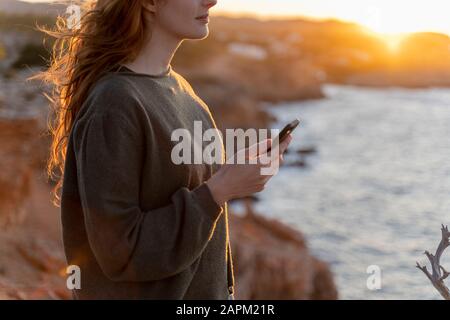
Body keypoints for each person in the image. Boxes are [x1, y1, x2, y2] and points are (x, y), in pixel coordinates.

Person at [34, 0, 292, 299]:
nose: (212, 1)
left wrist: (232, 173)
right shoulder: (114, 105)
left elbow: (187, 193)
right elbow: (121, 252)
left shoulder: (182, 90)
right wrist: (220, 190)